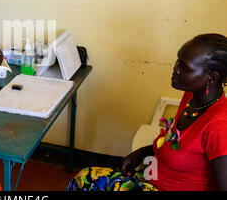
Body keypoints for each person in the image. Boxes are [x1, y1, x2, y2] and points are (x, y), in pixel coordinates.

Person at [67, 33, 227, 191]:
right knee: (84, 178)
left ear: (212, 77)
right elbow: (176, 144)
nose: (175, 69)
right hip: (153, 180)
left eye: (185, 67)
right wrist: (143, 152)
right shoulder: (191, 96)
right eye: (178, 60)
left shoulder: (218, 125)